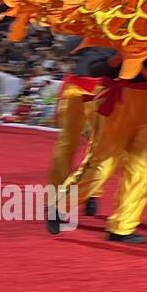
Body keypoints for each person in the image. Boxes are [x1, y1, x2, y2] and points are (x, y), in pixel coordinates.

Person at [54, 47, 147, 243]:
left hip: (145, 103)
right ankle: (60, 204)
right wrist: (113, 62)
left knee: (142, 168)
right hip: (115, 101)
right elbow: (92, 69)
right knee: (102, 164)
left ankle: (123, 226)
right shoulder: (114, 36)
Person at [45, 41, 119, 231]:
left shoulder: (83, 24)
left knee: (65, 145)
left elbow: (67, 48)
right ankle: (91, 195)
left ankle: (55, 197)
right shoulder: (121, 28)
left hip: (74, 84)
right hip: (99, 88)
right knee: (97, 147)